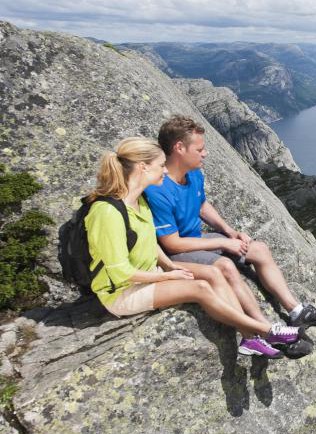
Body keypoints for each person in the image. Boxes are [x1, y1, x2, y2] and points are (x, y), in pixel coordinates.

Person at [84, 137, 302, 358]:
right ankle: (264, 331)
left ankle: (249, 339)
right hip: (122, 293)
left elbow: (150, 243)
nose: (165, 172)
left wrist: (169, 266)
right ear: (143, 167)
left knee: (214, 272)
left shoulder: (138, 202)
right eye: (161, 166)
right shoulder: (107, 212)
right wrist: (166, 277)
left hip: (149, 274)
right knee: (201, 289)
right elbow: (120, 272)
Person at [145, 116, 316, 329]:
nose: (205, 153)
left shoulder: (193, 174)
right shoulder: (158, 189)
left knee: (260, 250)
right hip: (177, 252)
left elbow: (201, 206)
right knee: (226, 266)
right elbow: (173, 244)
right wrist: (224, 243)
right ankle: (266, 329)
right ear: (179, 148)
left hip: (197, 239)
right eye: (199, 150)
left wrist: (229, 232)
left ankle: (296, 311)